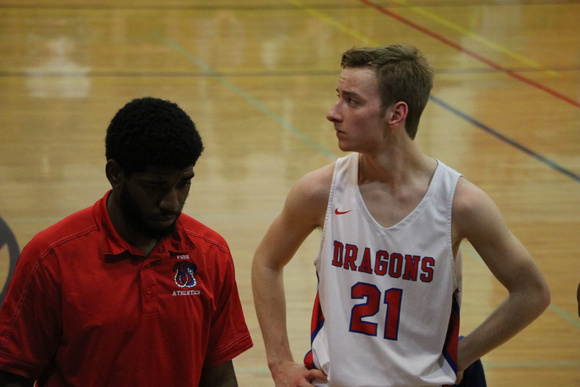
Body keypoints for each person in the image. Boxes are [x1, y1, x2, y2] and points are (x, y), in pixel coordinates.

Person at [252, 45, 551, 386]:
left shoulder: (460, 204)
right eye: (339, 97)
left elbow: (531, 292)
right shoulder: (320, 191)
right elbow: (266, 262)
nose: (333, 112)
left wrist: (460, 358)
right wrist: (279, 361)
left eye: (352, 101)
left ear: (396, 114)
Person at [0, 97, 253, 387]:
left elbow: (220, 377)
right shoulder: (51, 258)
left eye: (184, 182)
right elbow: (11, 377)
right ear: (115, 174)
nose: (172, 202)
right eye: (155, 186)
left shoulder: (210, 254)